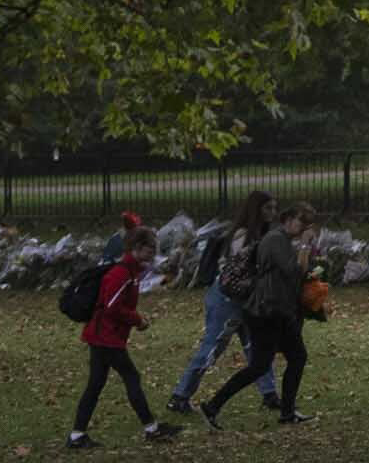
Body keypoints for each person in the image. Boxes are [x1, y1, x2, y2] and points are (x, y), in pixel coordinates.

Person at [200, 205, 322, 423]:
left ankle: (286, 412)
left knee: (294, 357)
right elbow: (295, 272)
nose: (305, 228)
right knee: (261, 366)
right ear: (289, 218)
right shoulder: (276, 240)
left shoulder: (282, 241)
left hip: (276, 310)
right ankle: (213, 405)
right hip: (266, 311)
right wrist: (305, 245)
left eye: (309, 224)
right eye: (303, 222)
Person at [63, 211, 172, 447]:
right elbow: (112, 306)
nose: (152, 255)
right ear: (137, 248)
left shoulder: (129, 272)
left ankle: (77, 435)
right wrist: (137, 320)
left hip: (103, 335)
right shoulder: (121, 273)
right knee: (131, 376)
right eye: (150, 250)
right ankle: (151, 428)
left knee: (95, 384)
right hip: (106, 336)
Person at [169, 189, 269, 414]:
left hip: (246, 298)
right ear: (256, 209)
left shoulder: (262, 233)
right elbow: (238, 268)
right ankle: (180, 395)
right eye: (268, 207)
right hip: (228, 299)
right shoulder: (243, 235)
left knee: (258, 346)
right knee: (212, 348)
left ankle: (269, 393)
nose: (273, 212)